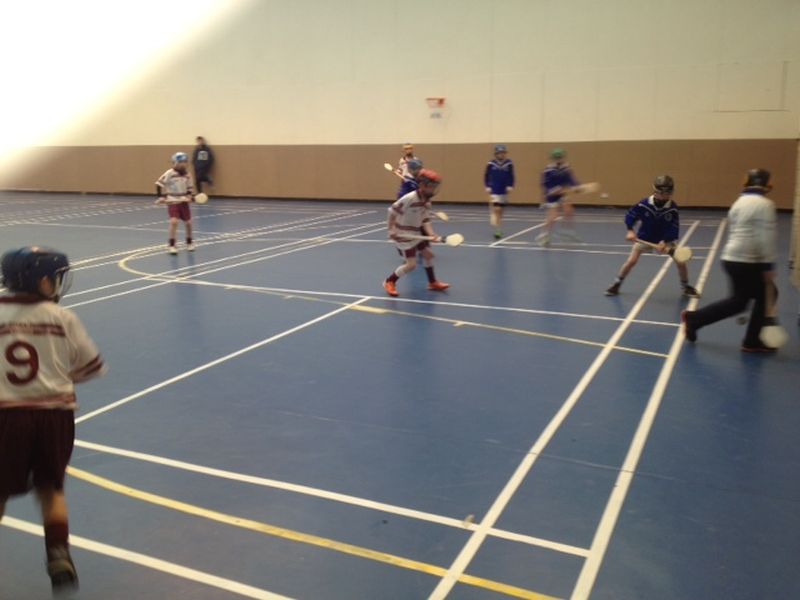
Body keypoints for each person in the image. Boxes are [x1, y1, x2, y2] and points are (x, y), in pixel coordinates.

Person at [0, 246, 106, 592]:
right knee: (51, 488)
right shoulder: (62, 318)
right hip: (54, 417)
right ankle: (58, 554)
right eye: (55, 278)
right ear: (42, 281)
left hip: (6, 415)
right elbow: (91, 366)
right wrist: (59, 375)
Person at [681, 169, 778, 352]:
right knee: (760, 295)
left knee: (741, 300)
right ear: (766, 185)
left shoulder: (738, 203)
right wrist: (768, 266)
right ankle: (750, 340)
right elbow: (766, 237)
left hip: (731, 258)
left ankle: (696, 320)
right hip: (748, 260)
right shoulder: (766, 205)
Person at [605, 175, 699, 297]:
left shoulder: (672, 208)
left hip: (664, 240)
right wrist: (630, 230)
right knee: (631, 261)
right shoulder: (644, 204)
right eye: (663, 193)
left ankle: (685, 287)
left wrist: (664, 241)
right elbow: (630, 216)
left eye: (668, 193)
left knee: (681, 262)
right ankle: (616, 284)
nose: (666, 196)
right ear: (656, 191)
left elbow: (673, 227)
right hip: (644, 238)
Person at [383, 169, 450, 297]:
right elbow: (392, 211)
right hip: (403, 234)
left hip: (416, 233)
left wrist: (431, 234)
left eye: (435, 186)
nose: (433, 189)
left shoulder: (426, 202)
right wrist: (391, 230)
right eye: (431, 186)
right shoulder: (409, 198)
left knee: (428, 255)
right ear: (422, 185)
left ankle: (432, 282)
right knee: (411, 265)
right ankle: (389, 281)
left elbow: (425, 220)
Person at [538, 147, 581, 246]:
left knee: (569, 210)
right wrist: (552, 190)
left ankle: (566, 231)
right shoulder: (548, 170)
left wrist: (577, 186)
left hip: (562, 194)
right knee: (553, 216)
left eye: (560, 157)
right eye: (557, 157)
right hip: (551, 195)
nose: (559, 159)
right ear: (553, 158)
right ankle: (544, 235)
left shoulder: (566, 168)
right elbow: (544, 183)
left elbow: (571, 179)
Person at [156, 152, 196, 255]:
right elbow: (159, 184)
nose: (183, 164)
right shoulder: (169, 173)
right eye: (181, 162)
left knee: (188, 223)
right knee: (174, 222)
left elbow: (190, 188)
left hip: (183, 201)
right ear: (175, 163)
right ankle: (172, 245)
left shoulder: (188, 175)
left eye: (185, 162)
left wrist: (189, 196)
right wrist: (161, 197)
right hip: (172, 200)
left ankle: (189, 242)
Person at [484, 144, 515, 239]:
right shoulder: (491, 163)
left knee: (501, 211)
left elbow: (511, 175)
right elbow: (486, 175)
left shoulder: (509, 163)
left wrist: (510, 185)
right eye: (499, 153)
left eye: (503, 153)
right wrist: (487, 186)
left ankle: (499, 228)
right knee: (497, 209)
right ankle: (497, 229)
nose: (501, 154)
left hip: (504, 190)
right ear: (496, 154)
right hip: (494, 189)